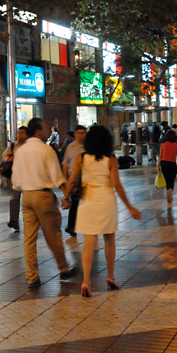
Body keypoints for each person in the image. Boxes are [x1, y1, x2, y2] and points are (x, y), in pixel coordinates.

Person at [62, 125, 141, 297]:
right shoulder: (111, 159)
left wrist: (66, 197)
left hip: (87, 202)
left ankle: (86, 282)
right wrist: (130, 207)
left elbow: (71, 180)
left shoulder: (81, 158)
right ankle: (111, 277)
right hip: (106, 201)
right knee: (109, 240)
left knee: (89, 243)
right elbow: (117, 186)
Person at [11, 117, 78, 289]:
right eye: (46, 128)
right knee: (53, 235)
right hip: (43, 197)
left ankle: (32, 277)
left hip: (26, 197)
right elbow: (57, 176)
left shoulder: (20, 151)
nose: (48, 130)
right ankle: (63, 268)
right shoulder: (46, 150)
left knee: (29, 239)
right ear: (39, 131)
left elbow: (15, 180)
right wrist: (66, 196)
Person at [61, 125, 87, 237]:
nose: (81, 135)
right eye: (79, 132)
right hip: (74, 178)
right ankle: (71, 227)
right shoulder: (70, 147)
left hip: (86, 178)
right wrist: (65, 178)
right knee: (75, 202)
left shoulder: (89, 147)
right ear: (75, 134)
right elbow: (66, 164)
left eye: (83, 132)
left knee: (86, 203)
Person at [3, 127, 29, 231]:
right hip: (16, 176)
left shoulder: (29, 146)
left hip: (28, 177)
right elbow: (4, 156)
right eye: (19, 132)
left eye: (22, 132)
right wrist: (10, 158)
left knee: (28, 201)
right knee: (15, 199)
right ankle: (14, 221)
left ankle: (29, 221)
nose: (20, 134)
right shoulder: (13, 145)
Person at [158, 129, 177, 207]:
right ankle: (170, 191)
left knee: (166, 179)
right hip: (172, 164)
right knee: (171, 179)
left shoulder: (163, 145)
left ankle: (168, 190)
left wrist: (158, 165)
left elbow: (160, 156)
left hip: (163, 163)